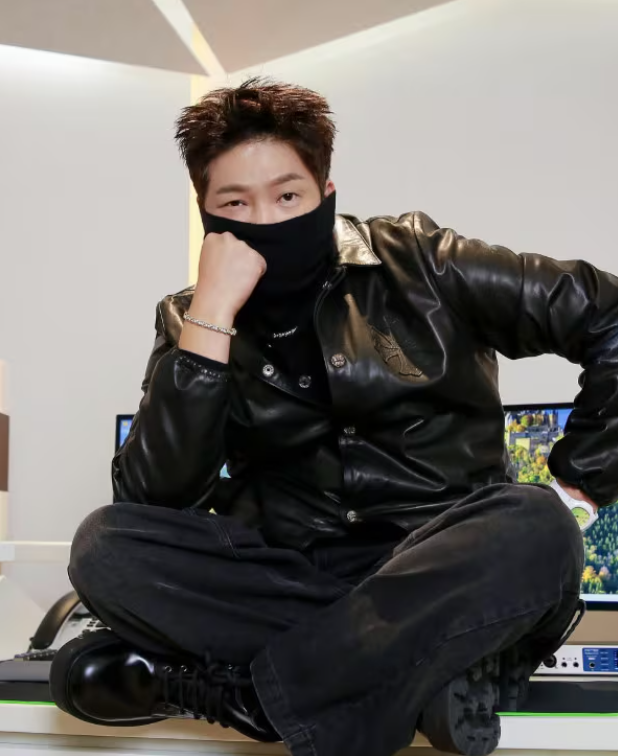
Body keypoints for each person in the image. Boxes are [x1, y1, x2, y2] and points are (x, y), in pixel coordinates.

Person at [49, 77, 616, 756]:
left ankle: (255, 699)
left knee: (536, 524)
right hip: (292, 577)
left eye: (287, 196)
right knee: (103, 547)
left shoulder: (423, 261)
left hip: (442, 568)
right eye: (236, 203)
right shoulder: (188, 317)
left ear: (326, 192)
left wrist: (581, 484)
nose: (265, 220)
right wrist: (211, 318)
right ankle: (420, 667)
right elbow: (153, 503)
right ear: (206, 214)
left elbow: (608, 316)